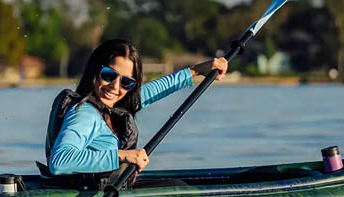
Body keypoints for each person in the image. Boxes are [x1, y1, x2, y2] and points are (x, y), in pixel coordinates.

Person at [43, 39, 227, 187]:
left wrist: (196, 71)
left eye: (126, 82)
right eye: (108, 75)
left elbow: (150, 92)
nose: (115, 87)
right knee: (179, 188)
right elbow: (60, 161)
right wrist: (123, 155)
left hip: (108, 189)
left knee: (177, 185)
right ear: (95, 70)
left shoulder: (109, 105)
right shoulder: (84, 114)